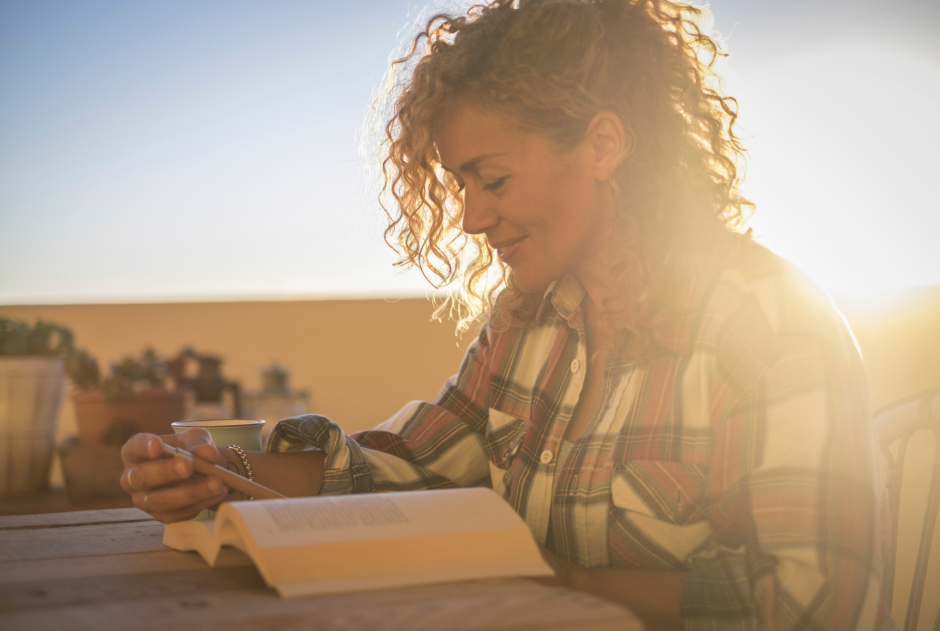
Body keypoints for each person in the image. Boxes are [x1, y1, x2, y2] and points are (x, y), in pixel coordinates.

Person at [120, 1, 893, 629]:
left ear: (603, 145)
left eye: (491, 179)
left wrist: (569, 583)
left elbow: (814, 606)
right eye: (461, 185)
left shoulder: (769, 328)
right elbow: (413, 467)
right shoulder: (528, 323)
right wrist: (219, 473)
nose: (469, 217)